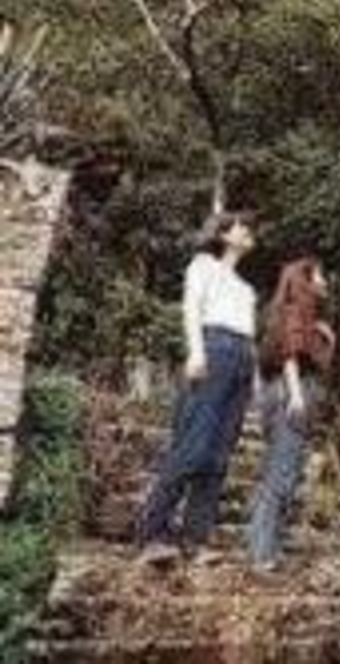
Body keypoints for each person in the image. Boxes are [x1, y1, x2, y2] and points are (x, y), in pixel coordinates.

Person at [137, 211, 258, 566]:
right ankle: (152, 535)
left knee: (219, 455)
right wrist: (196, 351)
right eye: (242, 227)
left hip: (242, 356)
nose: (249, 232)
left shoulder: (246, 288)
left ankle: (196, 540)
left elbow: (248, 332)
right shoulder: (203, 265)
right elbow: (191, 308)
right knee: (193, 445)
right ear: (223, 233)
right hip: (214, 347)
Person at [246, 256, 336, 573]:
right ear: (305, 281)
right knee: (282, 474)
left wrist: (325, 336)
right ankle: (262, 554)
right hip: (292, 391)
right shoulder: (297, 310)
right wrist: (296, 394)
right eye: (320, 276)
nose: (325, 282)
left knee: (278, 471)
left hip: (278, 392)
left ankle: (262, 545)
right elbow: (289, 354)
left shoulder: (288, 314)